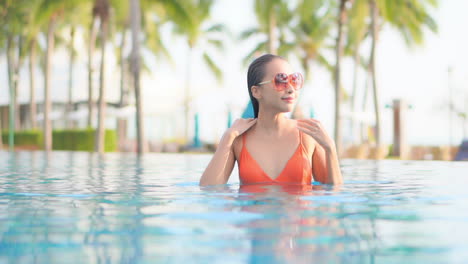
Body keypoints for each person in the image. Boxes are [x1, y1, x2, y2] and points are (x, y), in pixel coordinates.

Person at [200, 54, 343, 186]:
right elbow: (210, 189)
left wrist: (330, 148)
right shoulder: (239, 140)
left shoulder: (308, 135)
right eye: (281, 80)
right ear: (256, 91)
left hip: (297, 214)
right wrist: (228, 137)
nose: (291, 89)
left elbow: (332, 193)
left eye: (294, 80)